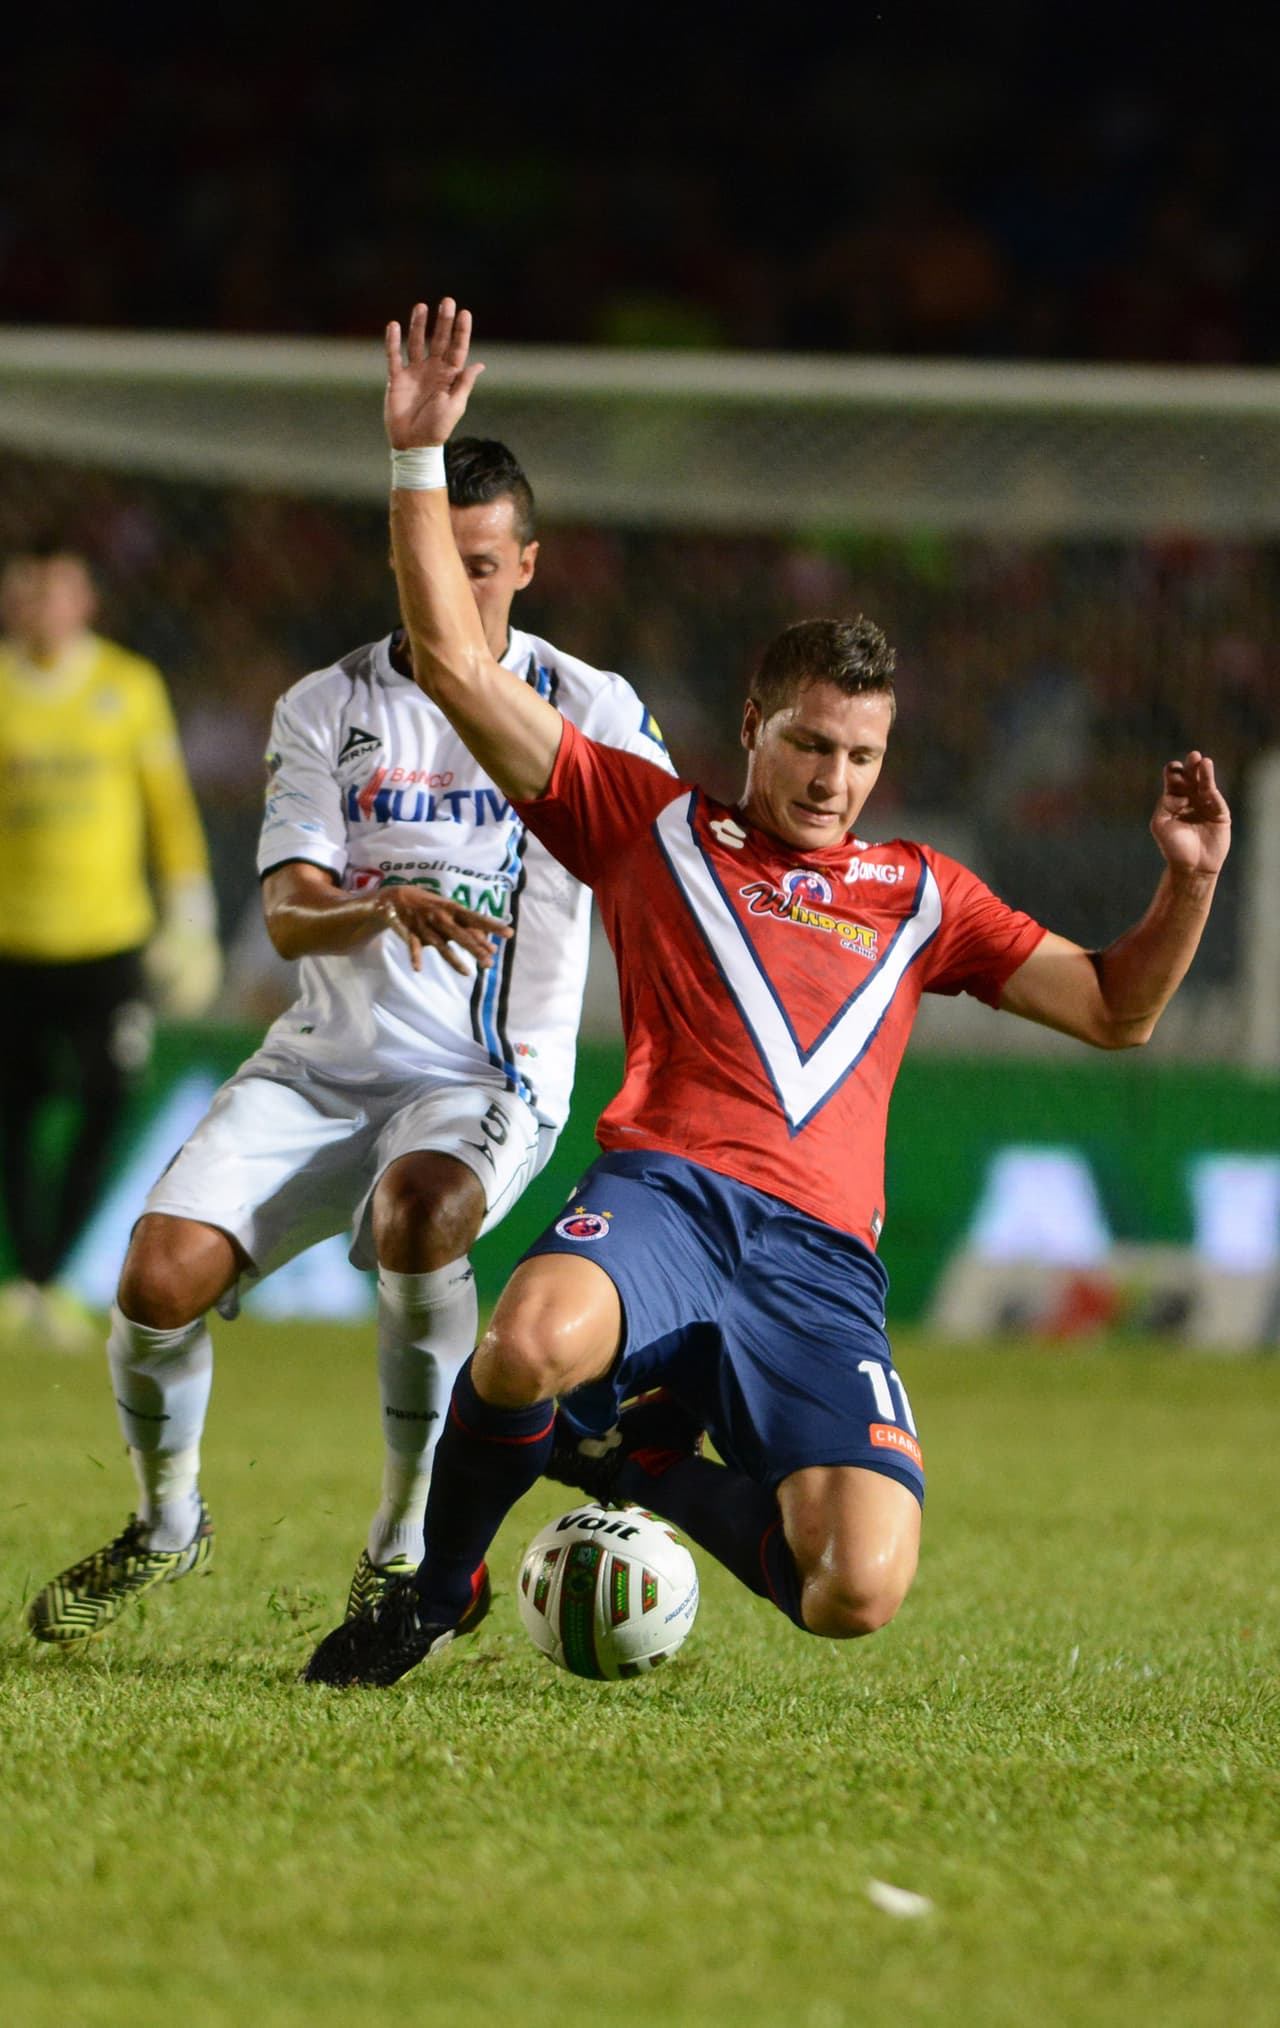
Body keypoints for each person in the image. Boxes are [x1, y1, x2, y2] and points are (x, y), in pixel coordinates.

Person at [301, 299, 1232, 1688]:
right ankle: (435, 1593)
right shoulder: (644, 821)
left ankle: (641, 1460)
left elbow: (1117, 1012)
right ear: (754, 725)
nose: (833, 778)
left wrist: (1190, 882)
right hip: (670, 1199)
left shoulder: (924, 896)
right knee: (520, 1342)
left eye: (860, 755)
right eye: (809, 744)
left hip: (821, 1269)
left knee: (853, 1592)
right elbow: (453, 663)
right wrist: (417, 464)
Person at [26, 438, 672, 1646]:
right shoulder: (327, 705)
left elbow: (666, 876)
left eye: (484, 564)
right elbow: (283, 911)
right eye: (437, 557)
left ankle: (405, 1547)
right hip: (320, 1067)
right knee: (154, 1281)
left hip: (486, 1076)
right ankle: (167, 1526)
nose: (459, 584)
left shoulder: (591, 708)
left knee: (419, 1211)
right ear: (401, 556)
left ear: (526, 566)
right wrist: (379, 904)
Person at [0, 542, 220, 1353]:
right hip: (13, 941)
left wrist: (188, 911)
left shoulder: (127, 687)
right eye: (26, 590)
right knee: (15, 1114)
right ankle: (27, 1280)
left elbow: (167, 806)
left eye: (56, 590)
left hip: (108, 942)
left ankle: (51, 1277)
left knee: (105, 1101)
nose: (41, 606)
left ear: (85, 601)